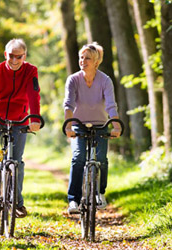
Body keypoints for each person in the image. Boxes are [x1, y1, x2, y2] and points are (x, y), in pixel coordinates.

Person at [0, 38, 41, 218]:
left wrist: (34, 118)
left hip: (19, 119)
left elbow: (33, 95)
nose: (14, 60)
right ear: (6, 54)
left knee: (16, 161)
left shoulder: (30, 71)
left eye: (18, 57)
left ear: (24, 56)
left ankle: (17, 203)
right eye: (11, 56)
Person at [63, 42, 121, 213]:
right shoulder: (73, 79)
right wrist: (68, 125)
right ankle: (73, 200)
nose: (83, 60)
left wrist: (116, 126)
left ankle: (100, 193)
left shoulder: (105, 80)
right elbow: (68, 105)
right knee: (78, 157)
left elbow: (111, 106)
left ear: (96, 62)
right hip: (79, 126)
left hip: (100, 125)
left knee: (101, 159)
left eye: (87, 58)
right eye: (81, 57)